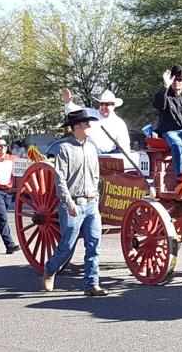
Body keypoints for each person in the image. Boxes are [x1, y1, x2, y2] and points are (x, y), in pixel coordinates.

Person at [42, 109, 107, 296]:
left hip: (91, 203)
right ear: (76, 127)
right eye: (86, 124)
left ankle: (91, 284)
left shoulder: (91, 148)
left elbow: (96, 174)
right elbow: (60, 178)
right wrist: (68, 201)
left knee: (94, 245)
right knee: (67, 246)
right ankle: (50, 269)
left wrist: (95, 195)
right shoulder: (64, 149)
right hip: (73, 203)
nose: (89, 126)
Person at [63, 88, 131, 156]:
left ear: (113, 105)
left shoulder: (119, 123)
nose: (104, 106)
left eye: (107, 104)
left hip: (109, 156)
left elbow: (124, 146)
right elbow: (74, 111)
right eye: (102, 104)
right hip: (89, 154)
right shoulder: (91, 113)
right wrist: (68, 102)